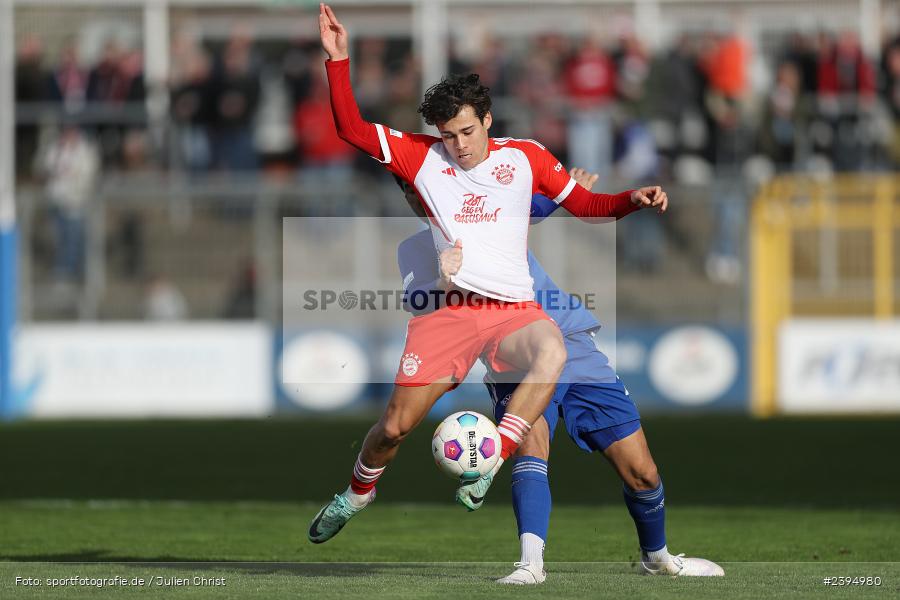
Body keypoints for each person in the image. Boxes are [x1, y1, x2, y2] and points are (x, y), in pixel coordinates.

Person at [308, 4, 666, 545]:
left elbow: (589, 206)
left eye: (468, 131)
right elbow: (350, 128)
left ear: (488, 121)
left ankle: (493, 455)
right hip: (451, 314)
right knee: (395, 428)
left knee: (553, 349)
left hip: (511, 312)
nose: (460, 144)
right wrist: (338, 60)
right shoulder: (422, 159)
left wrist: (631, 200)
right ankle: (358, 491)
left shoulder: (526, 158)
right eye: (449, 134)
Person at [396, 170, 722, 582]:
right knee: (532, 448)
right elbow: (419, 302)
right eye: (409, 190)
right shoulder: (415, 249)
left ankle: (657, 557)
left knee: (642, 470)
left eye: (420, 185)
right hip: (511, 354)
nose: (418, 195)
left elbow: (538, 206)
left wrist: (578, 190)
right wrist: (443, 278)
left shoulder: (482, 212)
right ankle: (530, 564)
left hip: (570, 341)